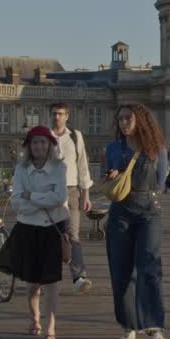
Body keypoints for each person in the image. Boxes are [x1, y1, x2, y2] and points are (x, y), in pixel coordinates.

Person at [101, 103, 170, 339]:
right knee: (120, 272)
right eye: (120, 119)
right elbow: (104, 176)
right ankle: (129, 325)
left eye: (128, 118)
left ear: (141, 120)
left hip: (148, 211)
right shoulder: (111, 148)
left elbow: (161, 182)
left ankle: (155, 328)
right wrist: (110, 177)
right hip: (120, 211)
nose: (123, 123)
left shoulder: (156, 149)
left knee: (149, 266)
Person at [7, 126, 70, 339]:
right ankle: (34, 317)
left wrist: (31, 196)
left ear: (50, 145)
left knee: (51, 281)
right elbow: (16, 202)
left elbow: (61, 197)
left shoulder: (59, 167)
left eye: (43, 142)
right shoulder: (21, 168)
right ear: (28, 146)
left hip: (52, 229)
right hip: (28, 228)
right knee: (33, 283)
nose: (39, 146)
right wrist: (43, 200)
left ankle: (51, 328)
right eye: (35, 142)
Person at [50, 102, 95, 296]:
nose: (57, 117)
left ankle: (79, 277)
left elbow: (82, 165)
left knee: (73, 235)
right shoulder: (43, 137)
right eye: (54, 114)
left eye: (60, 114)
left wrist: (86, 193)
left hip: (71, 192)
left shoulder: (75, 137)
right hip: (49, 193)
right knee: (51, 238)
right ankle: (49, 276)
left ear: (67, 116)